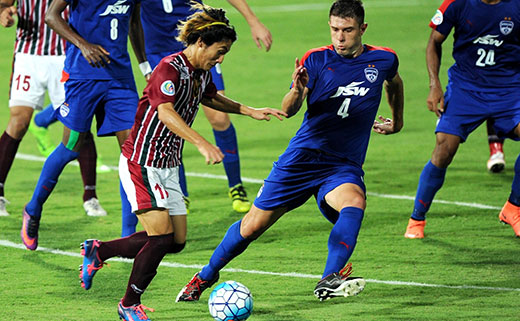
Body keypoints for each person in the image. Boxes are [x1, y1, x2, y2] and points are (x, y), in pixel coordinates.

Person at [176, 0, 404, 302]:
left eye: (347, 30)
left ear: (362, 29)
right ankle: (204, 277)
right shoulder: (316, 60)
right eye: (335, 29)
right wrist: (297, 89)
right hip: (302, 159)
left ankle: (329, 278)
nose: (340, 37)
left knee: (354, 202)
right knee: (251, 227)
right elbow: (288, 110)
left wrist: (397, 122)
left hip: (341, 164)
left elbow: (395, 84)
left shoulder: (384, 60)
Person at [77, 4, 286, 320]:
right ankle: (128, 304)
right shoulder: (169, 68)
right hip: (142, 161)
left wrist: (249, 110)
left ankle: (99, 250)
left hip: (167, 164)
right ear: (201, 43)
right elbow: (166, 112)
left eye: (225, 52)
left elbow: (211, 96)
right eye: (219, 51)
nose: (221, 58)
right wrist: (203, 143)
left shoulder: (201, 72)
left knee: (174, 241)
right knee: (159, 237)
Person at [20, 0, 146, 250]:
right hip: (82, 75)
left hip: (120, 78)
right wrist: (84, 45)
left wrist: (144, 65)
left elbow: (133, 22)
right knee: (71, 147)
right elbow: (51, 16)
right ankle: (33, 209)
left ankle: (126, 237)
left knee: (131, 154)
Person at [136, 0, 273, 219]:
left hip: (204, 41)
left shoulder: (212, 49)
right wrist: (143, 63)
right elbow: (131, 16)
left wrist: (253, 20)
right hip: (159, 47)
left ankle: (236, 186)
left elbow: (210, 98)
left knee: (219, 119)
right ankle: (179, 193)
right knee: (172, 120)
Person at [404, 0, 520, 239]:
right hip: (466, 89)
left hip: (509, 89)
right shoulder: (456, 4)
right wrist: (434, 85)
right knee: (444, 148)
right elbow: (434, 42)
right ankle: (417, 218)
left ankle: (514, 207)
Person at [0, 0, 106, 217]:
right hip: (28, 55)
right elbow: (4, 3)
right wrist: (3, 12)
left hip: (65, 56)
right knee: (19, 121)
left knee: (79, 124)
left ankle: (90, 197)